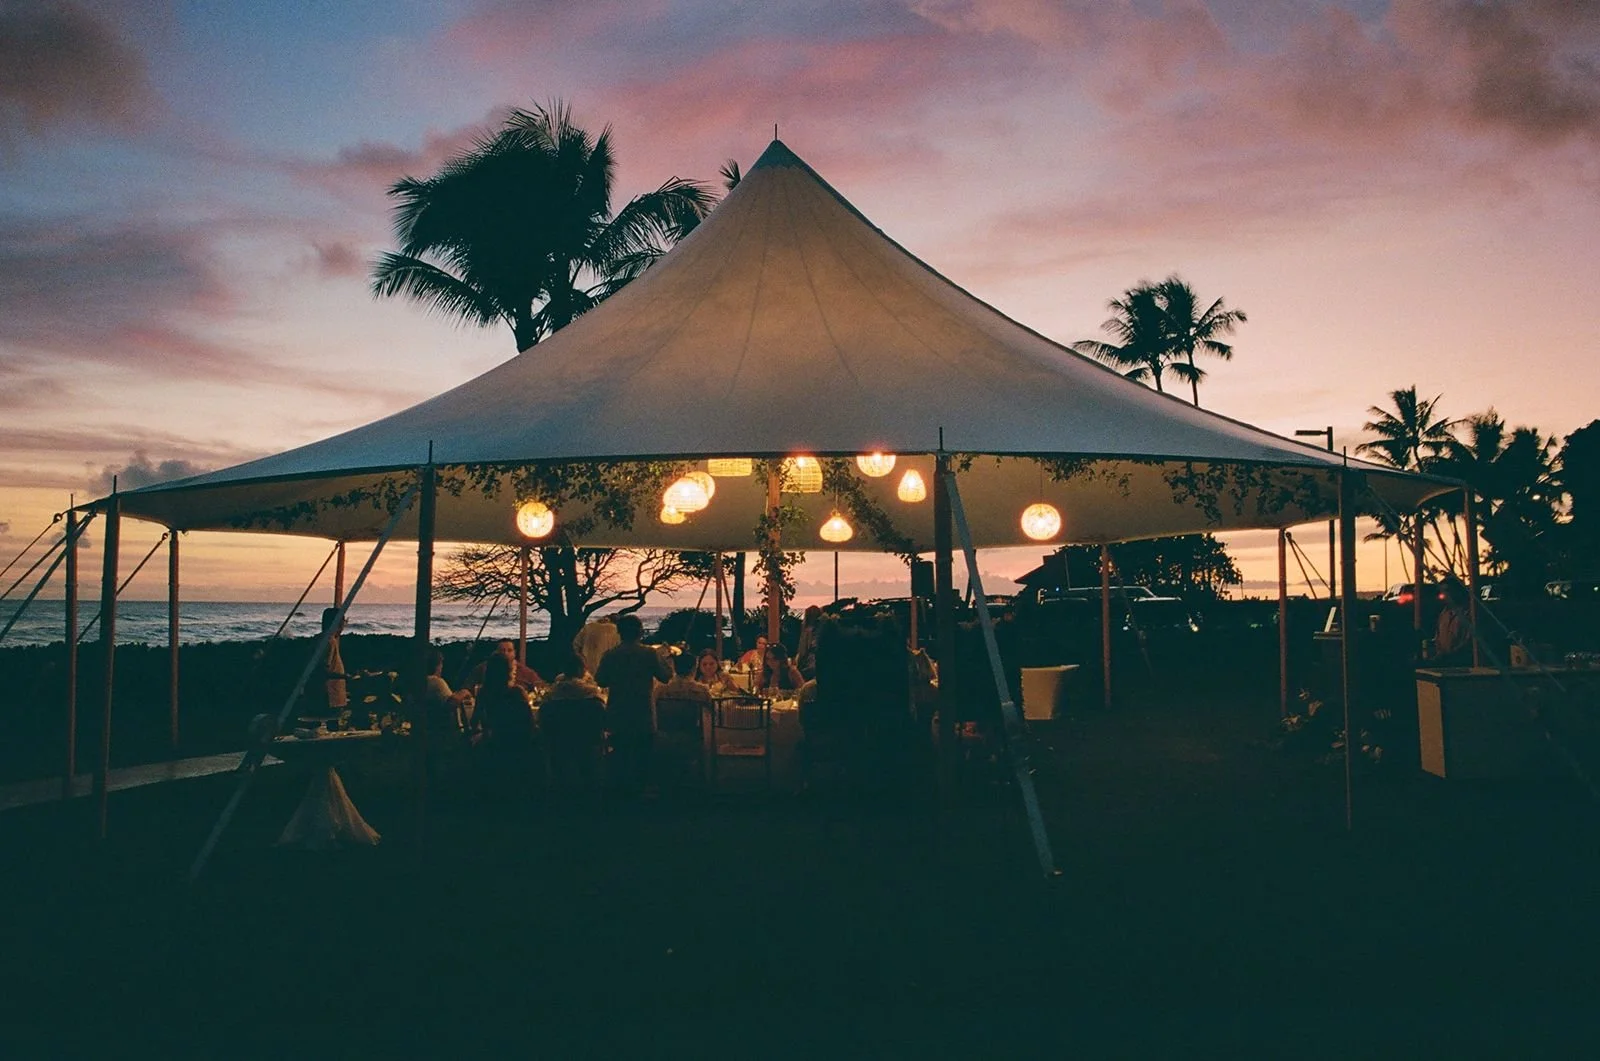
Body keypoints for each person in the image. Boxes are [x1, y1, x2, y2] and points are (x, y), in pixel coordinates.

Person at [594, 613, 670, 794]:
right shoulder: (649, 654)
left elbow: (601, 680)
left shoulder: (610, 655)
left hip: (618, 711)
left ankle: (621, 794)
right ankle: (640, 794)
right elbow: (666, 677)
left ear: (619, 632)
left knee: (620, 754)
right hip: (643, 711)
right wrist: (666, 658)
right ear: (640, 633)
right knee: (643, 755)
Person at [540, 650, 606, 792]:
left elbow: (543, 718)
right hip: (588, 743)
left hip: (559, 744)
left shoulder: (552, 696)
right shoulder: (592, 696)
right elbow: (603, 718)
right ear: (583, 670)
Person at [474, 652, 536, 802]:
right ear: (508, 671)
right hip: (518, 740)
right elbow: (529, 721)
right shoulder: (517, 692)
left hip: (495, 739)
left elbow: (474, 721)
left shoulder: (483, 692)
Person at [468, 640, 545, 693]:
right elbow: (468, 686)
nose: (505, 653)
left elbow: (540, 686)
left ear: (514, 653)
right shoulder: (482, 668)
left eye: (509, 650)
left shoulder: (525, 671)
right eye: (502, 650)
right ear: (496, 652)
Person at [1432, 578, 1474, 666]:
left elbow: (1470, 641)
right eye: (1442, 591)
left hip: (1464, 665)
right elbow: (1437, 637)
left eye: (1447, 591)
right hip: (1444, 664)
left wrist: (1452, 655)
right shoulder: (1443, 614)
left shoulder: (1470, 613)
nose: (1444, 595)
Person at [795, 605, 822, 680]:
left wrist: (798, 667)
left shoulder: (807, 632)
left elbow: (802, 650)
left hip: (809, 666)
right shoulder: (822, 631)